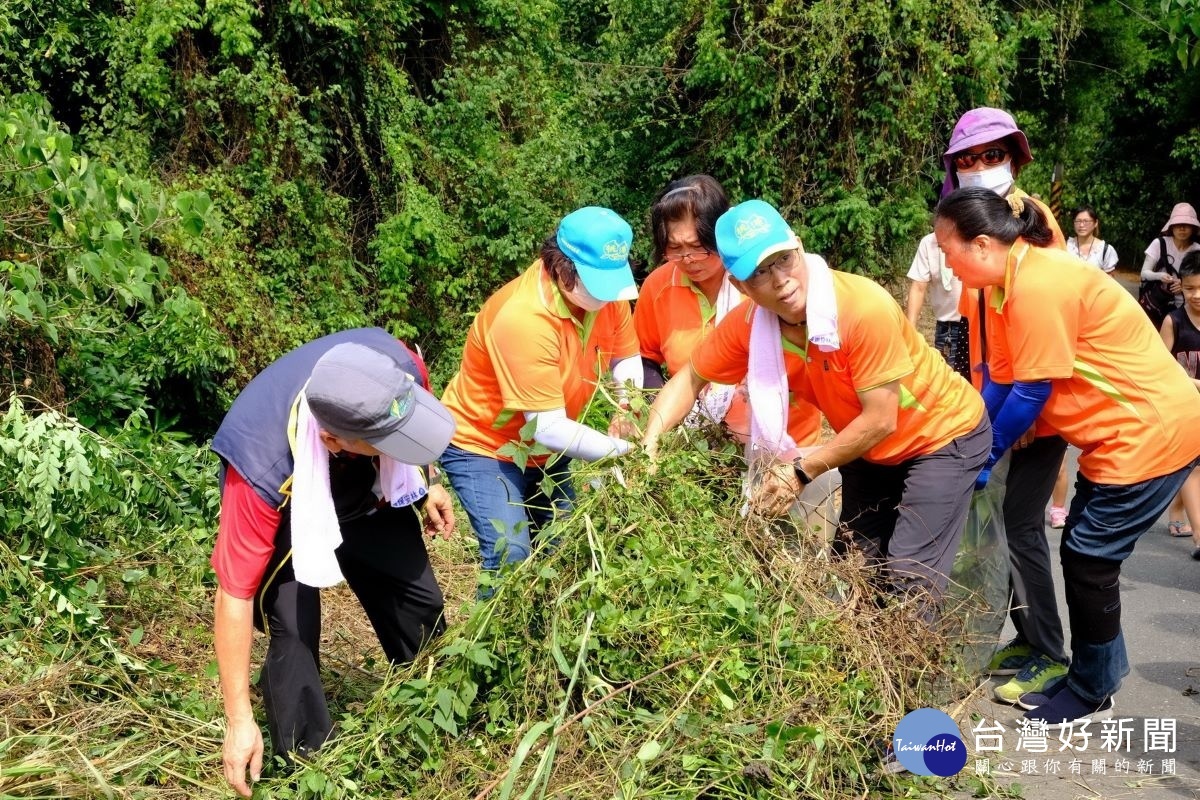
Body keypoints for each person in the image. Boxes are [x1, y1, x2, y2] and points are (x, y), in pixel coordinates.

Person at [934, 187, 1200, 729]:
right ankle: (1093, 672)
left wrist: (985, 457)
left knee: (1088, 558)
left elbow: (1031, 393)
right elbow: (1003, 383)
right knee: (1083, 550)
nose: (944, 261)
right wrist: (967, 437)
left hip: (1149, 430)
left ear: (982, 245)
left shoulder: (1039, 284)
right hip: (1114, 439)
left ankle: (1093, 688)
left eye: (947, 249)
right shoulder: (1008, 287)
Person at [643, 199, 989, 610]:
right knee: (853, 569)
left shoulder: (861, 308)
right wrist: (649, 446)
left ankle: (909, 670)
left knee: (908, 579)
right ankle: (864, 669)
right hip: (870, 447)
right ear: (739, 287)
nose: (780, 280)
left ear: (799, 247)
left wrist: (801, 471)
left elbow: (881, 418)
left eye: (783, 260)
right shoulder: (751, 326)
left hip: (940, 435)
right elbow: (689, 377)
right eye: (759, 272)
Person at [210, 329, 457, 797]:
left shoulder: (392, 365)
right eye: (392, 442)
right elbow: (234, 594)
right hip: (294, 503)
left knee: (419, 600)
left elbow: (413, 413)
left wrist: (428, 480)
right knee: (294, 628)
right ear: (334, 440)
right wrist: (238, 719)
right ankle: (307, 766)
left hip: (365, 482)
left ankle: (433, 707)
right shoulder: (259, 469)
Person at [941, 107, 1070, 705]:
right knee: (999, 529)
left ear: (1013, 157)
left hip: (1031, 407)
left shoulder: (1033, 221)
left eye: (991, 156)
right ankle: (1025, 635)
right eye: (968, 159)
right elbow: (979, 335)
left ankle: (1050, 652)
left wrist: (1019, 419)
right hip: (997, 396)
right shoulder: (967, 222)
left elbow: (1040, 338)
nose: (981, 168)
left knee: (1019, 525)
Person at [439, 206, 642, 575]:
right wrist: (625, 454)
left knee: (565, 553)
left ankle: (545, 632)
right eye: (598, 284)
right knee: (510, 556)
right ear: (562, 269)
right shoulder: (524, 318)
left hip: (547, 451)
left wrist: (627, 405)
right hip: (486, 446)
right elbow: (546, 427)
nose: (609, 296)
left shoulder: (609, 297)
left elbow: (627, 357)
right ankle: (494, 635)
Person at [635, 174, 821, 445]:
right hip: (699, 445)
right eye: (675, 248)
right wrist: (664, 410)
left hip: (787, 442)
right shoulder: (658, 287)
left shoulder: (763, 285)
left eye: (699, 247)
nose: (687, 259)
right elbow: (645, 358)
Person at [1159, 251, 1200, 557]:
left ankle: (1176, 513)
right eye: (1189, 288)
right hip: (1184, 408)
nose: (1195, 295)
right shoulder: (1173, 321)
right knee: (1193, 469)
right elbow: (1159, 367)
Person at [905, 232, 970, 382]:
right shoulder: (929, 243)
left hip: (976, 324)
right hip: (946, 327)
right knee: (945, 380)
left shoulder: (972, 236)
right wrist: (910, 330)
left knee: (977, 378)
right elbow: (918, 287)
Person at [1138, 202, 1200, 329]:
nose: (1182, 228)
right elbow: (1144, 273)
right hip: (1156, 304)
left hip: (1186, 308)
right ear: (1171, 226)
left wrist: (1183, 286)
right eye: (1178, 224)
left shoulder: (1197, 249)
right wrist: (1159, 276)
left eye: (1187, 224)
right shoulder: (1159, 244)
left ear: (1193, 227)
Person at [1066, 206, 1119, 274]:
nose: (1081, 225)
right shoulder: (1066, 246)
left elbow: (1109, 280)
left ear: (1096, 223)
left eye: (1086, 221)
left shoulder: (1105, 250)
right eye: (1078, 221)